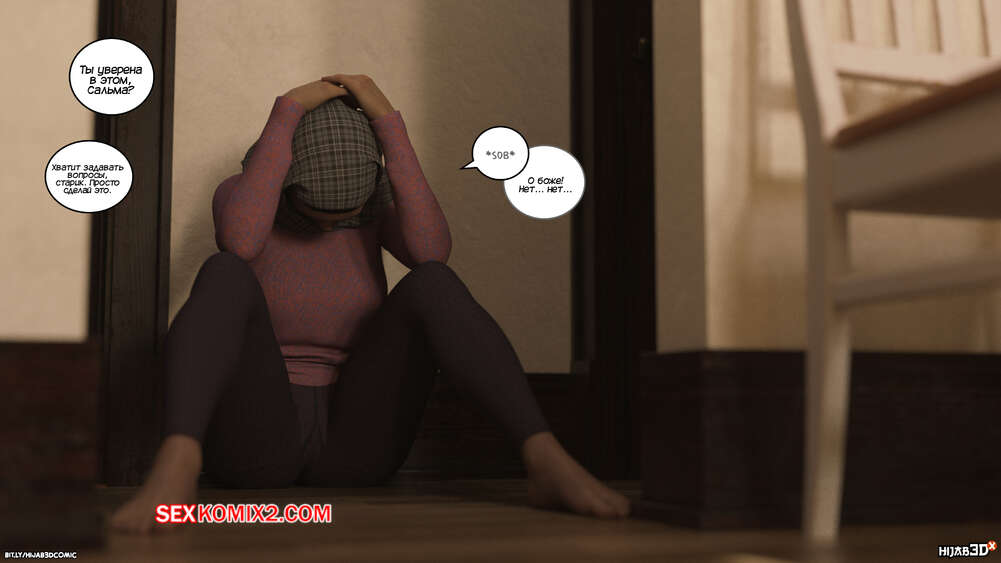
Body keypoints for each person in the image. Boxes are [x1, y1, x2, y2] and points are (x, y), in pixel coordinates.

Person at [109, 74, 630, 533]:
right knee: (224, 270)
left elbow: (432, 253)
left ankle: (542, 454)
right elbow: (240, 242)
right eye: (316, 211)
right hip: (259, 439)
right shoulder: (243, 196)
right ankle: (178, 460)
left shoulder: (376, 212)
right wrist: (288, 110)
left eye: (347, 212)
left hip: (355, 440)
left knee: (433, 282)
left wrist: (387, 121)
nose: (335, 223)